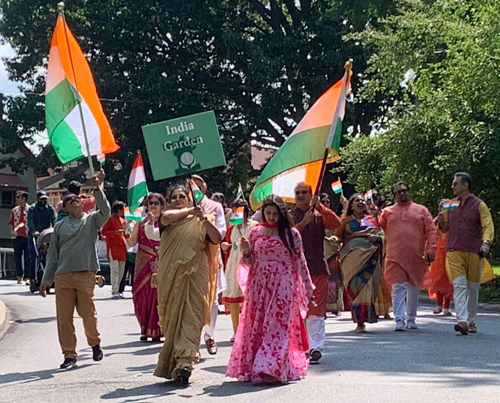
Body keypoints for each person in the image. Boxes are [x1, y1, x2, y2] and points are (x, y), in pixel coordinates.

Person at [226, 195, 314, 384]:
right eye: (268, 213)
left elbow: (300, 262)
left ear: (282, 214)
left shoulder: (291, 234)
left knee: (278, 326)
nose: (272, 217)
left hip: (283, 284)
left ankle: (269, 366)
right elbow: (249, 262)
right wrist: (247, 251)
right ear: (263, 213)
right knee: (258, 325)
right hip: (259, 286)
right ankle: (257, 365)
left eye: (275, 214)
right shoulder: (256, 232)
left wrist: (308, 287)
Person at [39, 171, 109, 370]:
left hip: (85, 274)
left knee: (88, 313)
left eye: (76, 199)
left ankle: (95, 344)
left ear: (81, 203)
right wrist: (46, 281)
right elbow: (52, 256)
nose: (74, 202)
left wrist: (97, 188)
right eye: (69, 201)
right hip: (63, 276)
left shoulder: (92, 220)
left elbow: (106, 210)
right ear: (65, 207)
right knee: (64, 317)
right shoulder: (59, 227)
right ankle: (69, 355)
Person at [154, 185, 222, 384]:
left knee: (193, 315)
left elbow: (217, 239)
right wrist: (192, 210)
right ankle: (175, 360)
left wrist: (202, 219)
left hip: (196, 275)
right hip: (171, 276)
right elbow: (166, 217)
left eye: (181, 196)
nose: (177, 199)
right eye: (173, 197)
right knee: (174, 317)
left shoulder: (202, 220)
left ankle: (185, 362)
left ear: (189, 199)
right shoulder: (168, 220)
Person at [289, 182, 341, 362]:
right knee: (297, 309)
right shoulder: (289, 216)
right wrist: (302, 224)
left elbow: (336, 224)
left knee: (316, 310)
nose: (301, 195)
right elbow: (286, 238)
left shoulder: (319, 214)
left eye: (304, 192)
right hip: (295, 271)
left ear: (311, 194)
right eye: (298, 193)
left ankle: (315, 347)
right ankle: (299, 346)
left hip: (318, 268)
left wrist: (319, 206)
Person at [438, 173, 494, 335]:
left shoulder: (479, 205)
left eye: (455, 183)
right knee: (459, 285)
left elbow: (487, 226)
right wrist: (441, 220)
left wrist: (486, 243)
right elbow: (445, 228)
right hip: (454, 250)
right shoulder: (450, 204)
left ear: (465, 185)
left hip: (474, 250)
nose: (452, 186)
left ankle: (471, 321)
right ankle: (461, 320)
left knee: (473, 287)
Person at [379, 182, 436, 331]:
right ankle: (399, 319)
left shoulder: (421, 210)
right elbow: (378, 227)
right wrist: (373, 214)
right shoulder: (387, 212)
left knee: (414, 288)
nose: (402, 193)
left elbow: (431, 231)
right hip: (394, 256)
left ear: (409, 192)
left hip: (416, 256)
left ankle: (411, 318)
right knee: (398, 287)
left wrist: (431, 249)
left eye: (404, 190)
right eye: (398, 192)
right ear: (394, 195)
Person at [335, 194, 385, 332]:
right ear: (351, 205)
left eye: (362, 200)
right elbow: (337, 237)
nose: (361, 202)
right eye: (357, 200)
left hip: (370, 258)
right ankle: (358, 322)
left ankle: (364, 320)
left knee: (367, 288)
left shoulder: (371, 220)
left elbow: (382, 235)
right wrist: (333, 241)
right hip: (351, 260)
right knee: (355, 288)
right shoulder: (345, 221)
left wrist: (377, 238)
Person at [192, 174, 226, 355]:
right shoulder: (183, 208)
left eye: (197, 186)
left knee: (212, 301)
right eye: (190, 186)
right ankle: (192, 340)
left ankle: (209, 335)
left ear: (204, 188)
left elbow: (220, 234)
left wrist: (204, 219)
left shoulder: (215, 207)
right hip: (188, 260)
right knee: (191, 301)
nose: (194, 190)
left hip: (211, 259)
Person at [126, 193, 165, 342]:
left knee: (158, 297)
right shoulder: (140, 223)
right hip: (143, 263)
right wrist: (126, 229)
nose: (153, 206)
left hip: (161, 262)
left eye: (156, 203)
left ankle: (159, 329)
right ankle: (144, 328)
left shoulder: (166, 222)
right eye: (150, 203)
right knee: (141, 296)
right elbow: (131, 242)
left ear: (162, 206)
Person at [221, 200, 258, 341]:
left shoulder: (255, 227)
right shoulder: (232, 228)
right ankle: (236, 330)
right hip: (233, 263)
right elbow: (230, 246)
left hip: (249, 263)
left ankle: (250, 328)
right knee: (234, 299)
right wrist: (226, 246)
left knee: (249, 297)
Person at [423, 200, 454, 316]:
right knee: (437, 278)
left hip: (450, 253)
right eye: (441, 206)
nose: (443, 209)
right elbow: (429, 237)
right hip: (437, 254)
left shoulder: (453, 221)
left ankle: (447, 307)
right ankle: (438, 305)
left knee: (448, 279)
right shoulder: (435, 221)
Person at [366, 191, 392, 319]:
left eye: (374, 209)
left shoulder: (381, 222)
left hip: (381, 254)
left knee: (382, 281)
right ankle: (372, 310)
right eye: (370, 209)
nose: (373, 210)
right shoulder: (364, 222)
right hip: (367, 255)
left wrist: (379, 238)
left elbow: (385, 236)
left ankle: (385, 309)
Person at [27, 190, 56, 284]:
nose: (43, 201)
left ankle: (49, 276)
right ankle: (32, 278)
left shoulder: (50, 208)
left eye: (45, 199)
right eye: (41, 199)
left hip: (47, 236)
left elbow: (54, 219)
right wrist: (33, 231)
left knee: (49, 256)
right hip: (35, 236)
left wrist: (55, 228)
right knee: (34, 256)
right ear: (37, 199)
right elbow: (30, 220)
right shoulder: (32, 209)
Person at [102, 201, 128, 299]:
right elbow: (104, 232)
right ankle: (114, 291)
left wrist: (126, 230)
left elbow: (126, 234)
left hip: (121, 248)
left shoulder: (122, 220)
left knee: (121, 270)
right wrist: (115, 233)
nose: (124, 211)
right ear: (118, 210)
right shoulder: (110, 219)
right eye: (123, 209)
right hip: (112, 248)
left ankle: (118, 290)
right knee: (115, 270)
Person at [9, 191, 29, 284]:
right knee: (17, 256)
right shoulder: (14, 210)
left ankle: (27, 276)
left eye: (18, 197)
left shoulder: (30, 209)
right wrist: (12, 231)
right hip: (17, 236)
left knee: (27, 257)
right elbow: (11, 222)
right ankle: (19, 276)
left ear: (24, 198)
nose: (16, 199)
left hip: (27, 235)